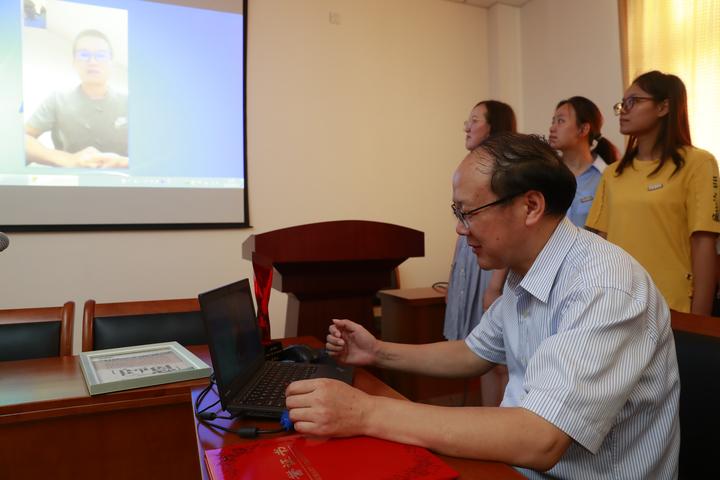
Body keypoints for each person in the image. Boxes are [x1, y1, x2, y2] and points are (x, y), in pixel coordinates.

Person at [286, 133, 680, 479]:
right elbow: (474, 353)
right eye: (457, 213)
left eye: (469, 212)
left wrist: (365, 413)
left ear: (530, 206)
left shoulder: (603, 286)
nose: (460, 228)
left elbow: (541, 438)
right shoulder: (526, 270)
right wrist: (376, 351)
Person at [586, 71, 720, 314]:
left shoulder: (698, 163)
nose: (623, 110)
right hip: (616, 307)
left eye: (633, 101)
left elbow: (704, 244)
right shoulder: (612, 173)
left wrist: (699, 320)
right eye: (622, 104)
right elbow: (600, 246)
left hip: (673, 308)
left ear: (663, 107)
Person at [445, 100, 516, 407]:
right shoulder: (471, 165)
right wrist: (453, 278)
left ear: (493, 126)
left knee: (500, 359)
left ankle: (502, 420)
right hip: (470, 262)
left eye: (474, 120)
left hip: (492, 269)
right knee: (479, 354)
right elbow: (463, 223)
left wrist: (495, 286)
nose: (467, 126)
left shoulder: (505, 167)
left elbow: (506, 229)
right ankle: (487, 415)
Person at [25, 29, 128, 169]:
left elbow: (154, 150)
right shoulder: (57, 99)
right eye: (84, 55)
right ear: (74, 63)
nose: (93, 61)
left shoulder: (130, 102)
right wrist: (67, 159)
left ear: (111, 63)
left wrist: (122, 162)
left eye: (101, 55)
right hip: (69, 181)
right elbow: (22, 139)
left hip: (124, 181)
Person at [548, 96, 619, 227]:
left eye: (561, 121)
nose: (552, 128)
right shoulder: (547, 174)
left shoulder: (606, 176)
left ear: (583, 129)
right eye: (553, 121)